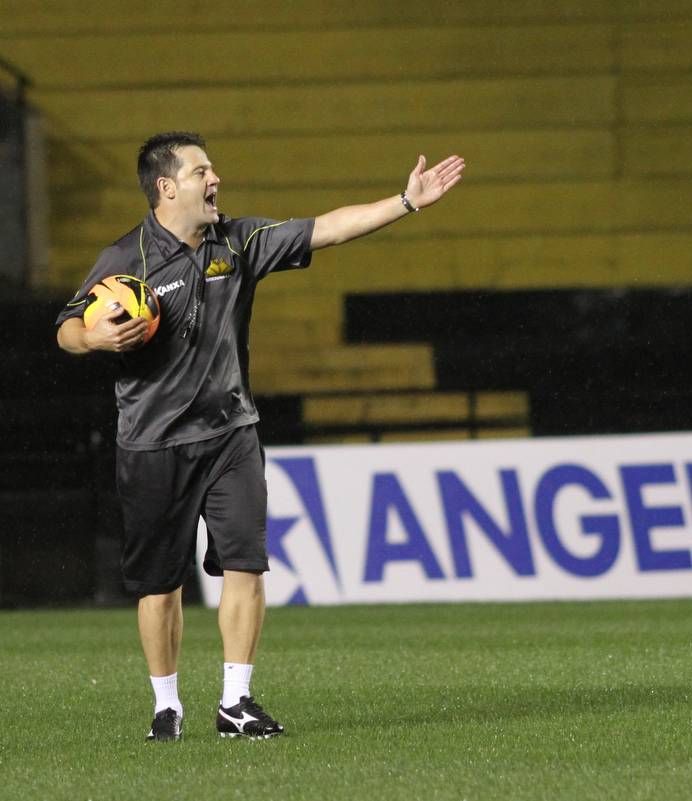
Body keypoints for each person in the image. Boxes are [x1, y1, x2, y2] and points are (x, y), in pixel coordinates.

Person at [56, 132, 465, 739]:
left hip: (231, 435)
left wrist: (404, 203)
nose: (214, 178)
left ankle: (236, 702)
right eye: (201, 171)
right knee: (160, 585)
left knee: (245, 566)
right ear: (167, 187)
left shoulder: (238, 241)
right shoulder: (124, 258)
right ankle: (166, 706)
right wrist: (93, 337)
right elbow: (66, 327)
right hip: (152, 442)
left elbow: (326, 228)